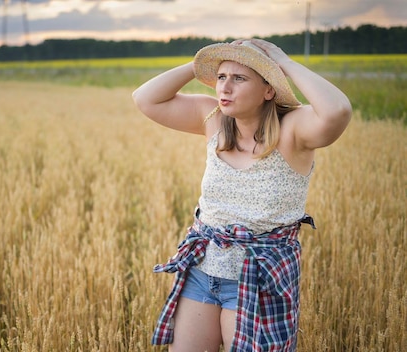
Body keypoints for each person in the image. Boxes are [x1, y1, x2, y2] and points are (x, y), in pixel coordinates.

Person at [132, 39, 351, 352]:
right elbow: (145, 99)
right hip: (202, 270)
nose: (225, 87)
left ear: (268, 90)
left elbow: (338, 111)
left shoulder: (293, 130)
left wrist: (282, 62)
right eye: (221, 77)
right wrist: (200, 65)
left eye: (239, 78)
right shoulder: (214, 120)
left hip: (260, 278)